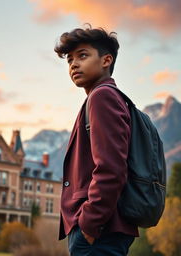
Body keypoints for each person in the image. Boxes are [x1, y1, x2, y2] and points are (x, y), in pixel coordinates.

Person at [54, 25, 139, 256]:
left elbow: (111, 168)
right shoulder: (102, 97)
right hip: (104, 229)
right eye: (69, 59)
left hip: (99, 231)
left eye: (83, 55)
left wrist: (89, 223)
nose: (73, 64)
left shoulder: (102, 96)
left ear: (106, 60)